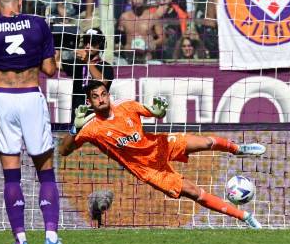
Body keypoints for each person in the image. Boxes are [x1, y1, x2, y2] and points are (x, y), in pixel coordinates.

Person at [58, 80, 264, 228]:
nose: (101, 99)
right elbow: (63, 151)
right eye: (95, 97)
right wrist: (74, 129)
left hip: (159, 145)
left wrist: (159, 112)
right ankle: (245, 216)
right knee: (194, 192)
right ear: (89, 102)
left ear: (108, 95)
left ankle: (239, 149)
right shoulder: (91, 128)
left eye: (103, 94)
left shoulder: (126, 106)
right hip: (149, 170)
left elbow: (155, 112)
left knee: (206, 141)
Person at [0, 0, 70, 244]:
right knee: (45, 171)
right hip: (30, 96)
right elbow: (50, 69)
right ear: (21, 2)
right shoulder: (39, 25)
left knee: (11, 175)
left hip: (3, 98)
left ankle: (21, 242)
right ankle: (51, 238)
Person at [58, 28, 114, 122]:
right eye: (86, 42)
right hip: (79, 115)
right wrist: (57, 43)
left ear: (100, 45)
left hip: (98, 116)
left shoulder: (106, 66)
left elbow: (103, 82)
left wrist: (87, 60)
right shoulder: (77, 64)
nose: (88, 46)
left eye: (92, 43)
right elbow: (53, 64)